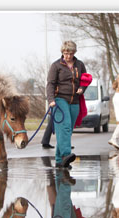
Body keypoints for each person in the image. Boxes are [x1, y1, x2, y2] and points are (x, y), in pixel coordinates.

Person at [46, 40, 86, 169]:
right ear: (62, 53)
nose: (67, 56)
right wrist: (51, 99)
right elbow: (50, 84)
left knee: (66, 131)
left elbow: (85, 79)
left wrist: (82, 88)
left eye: (70, 53)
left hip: (74, 101)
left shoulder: (79, 65)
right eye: (65, 53)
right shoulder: (56, 66)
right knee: (65, 126)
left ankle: (59, 161)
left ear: (74, 53)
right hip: (59, 100)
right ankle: (66, 155)